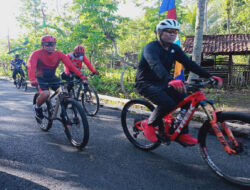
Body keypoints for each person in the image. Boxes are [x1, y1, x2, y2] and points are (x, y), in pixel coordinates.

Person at [135, 19, 222, 146]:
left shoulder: (174, 48)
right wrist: (171, 80)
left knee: (187, 101)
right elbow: (155, 65)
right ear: (159, 32)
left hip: (163, 83)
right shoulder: (151, 48)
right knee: (167, 103)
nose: (172, 34)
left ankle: (182, 133)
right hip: (145, 83)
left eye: (175, 31)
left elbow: (190, 64)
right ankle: (149, 124)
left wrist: (210, 76)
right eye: (169, 31)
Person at [28, 35, 87, 122]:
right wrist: (32, 79)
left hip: (53, 78)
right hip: (40, 79)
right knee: (46, 94)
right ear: (42, 45)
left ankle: (63, 114)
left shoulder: (59, 54)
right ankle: (37, 107)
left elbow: (71, 66)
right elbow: (31, 67)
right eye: (47, 45)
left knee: (65, 93)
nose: (50, 47)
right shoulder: (36, 54)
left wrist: (82, 76)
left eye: (52, 45)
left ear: (55, 45)